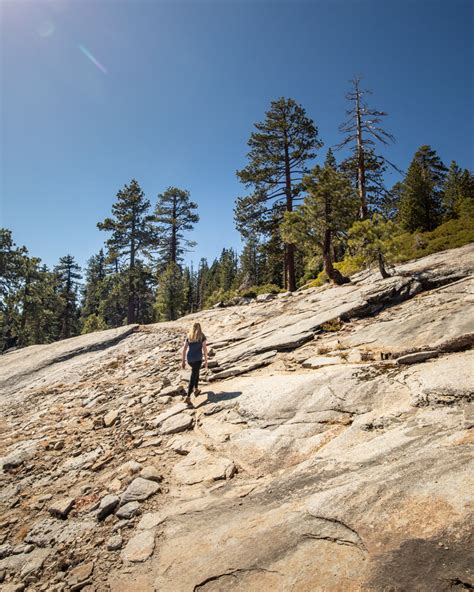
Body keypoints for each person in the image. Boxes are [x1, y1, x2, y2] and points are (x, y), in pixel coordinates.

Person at [181, 322, 208, 407]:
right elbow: (205, 349)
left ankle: (196, 389)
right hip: (198, 359)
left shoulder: (189, 336)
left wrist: (183, 361)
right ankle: (188, 397)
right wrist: (206, 361)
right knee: (193, 376)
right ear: (200, 328)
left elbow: (184, 349)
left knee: (196, 372)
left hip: (190, 359)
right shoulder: (202, 336)